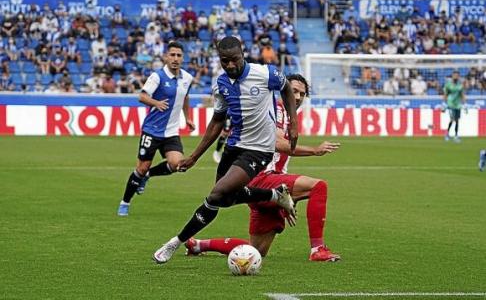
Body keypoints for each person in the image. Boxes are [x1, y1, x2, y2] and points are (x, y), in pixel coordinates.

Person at [152, 36, 299, 264]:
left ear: (243, 54)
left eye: (234, 60)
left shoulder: (265, 73)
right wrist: (194, 156)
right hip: (233, 146)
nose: (230, 65)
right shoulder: (220, 84)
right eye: (224, 61)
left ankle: (176, 241)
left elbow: (287, 89)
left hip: (258, 150)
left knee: (216, 195)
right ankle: (275, 195)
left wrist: (293, 123)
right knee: (225, 199)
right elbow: (217, 121)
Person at [184, 74, 341, 262]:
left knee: (254, 251)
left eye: (303, 94)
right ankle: (318, 249)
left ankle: (199, 245)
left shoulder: (286, 115)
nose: (298, 97)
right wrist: (314, 150)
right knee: (318, 187)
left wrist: (289, 199)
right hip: (262, 178)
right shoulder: (277, 110)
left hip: (262, 185)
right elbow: (276, 143)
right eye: (294, 91)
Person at [117, 41, 195, 216]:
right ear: (166, 57)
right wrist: (156, 103)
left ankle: (148, 176)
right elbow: (142, 96)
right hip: (152, 130)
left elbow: (185, 97)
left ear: (183, 58)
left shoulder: (187, 78)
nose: (175, 58)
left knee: (177, 164)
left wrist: (187, 117)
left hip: (171, 132)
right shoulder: (157, 76)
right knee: (141, 167)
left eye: (178, 55)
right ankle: (125, 202)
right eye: (172, 55)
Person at [443, 71, 465, 142]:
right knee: (452, 119)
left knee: (457, 120)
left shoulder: (460, 85)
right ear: (452, 76)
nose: (456, 76)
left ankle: (456, 135)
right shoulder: (448, 85)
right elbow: (445, 94)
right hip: (450, 104)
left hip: (457, 105)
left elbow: (462, 94)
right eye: (454, 75)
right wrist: (444, 103)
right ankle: (447, 134)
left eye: (457, 75)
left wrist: (464, 103)